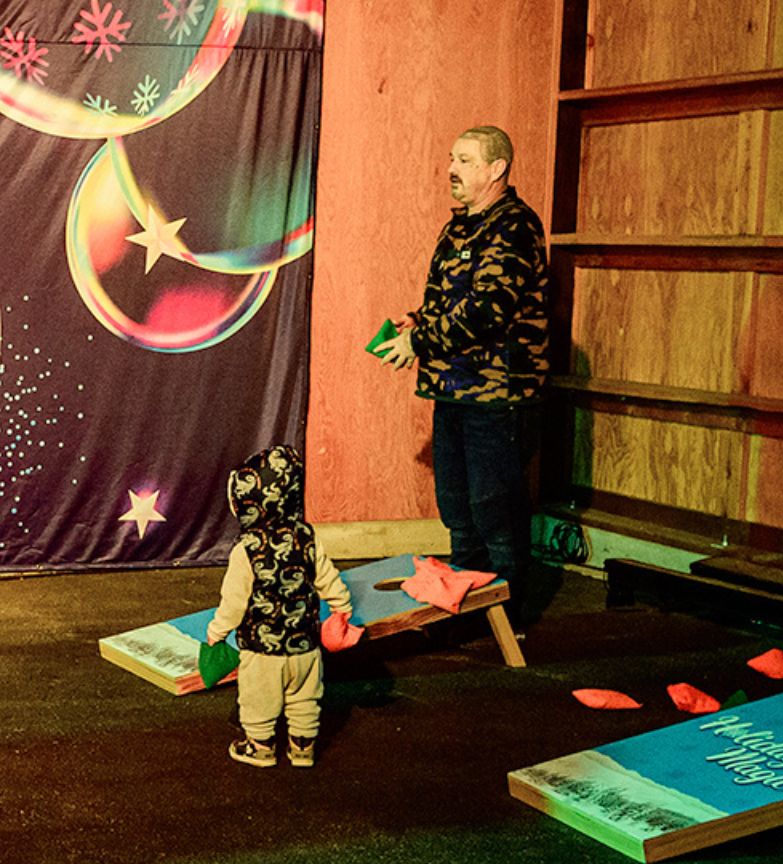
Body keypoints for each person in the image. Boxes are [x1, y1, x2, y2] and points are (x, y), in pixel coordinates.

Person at [380, 125, 550, 585]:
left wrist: (419, 342)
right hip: (453, 389)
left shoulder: (515, 225)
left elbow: (489, 308)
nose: (452, 169)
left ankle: (509, 616)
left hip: (496, 396)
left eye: (466, 161)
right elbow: (455, 300)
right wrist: (419, 320)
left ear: (497, 169)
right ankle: (468, 604)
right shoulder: (459, 225)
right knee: (458, 511)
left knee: (495, 513)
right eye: (452, 158)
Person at [202, 445, 355, 769]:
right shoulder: (306, 537)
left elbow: (234, 601)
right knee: (304, 698)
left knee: (258, 700)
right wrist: (342, 607)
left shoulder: (247, 550)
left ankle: (261, 748)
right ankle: (303, 749)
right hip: (305, 646)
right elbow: (327, 576)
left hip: (262, 651)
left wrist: (217, 631)